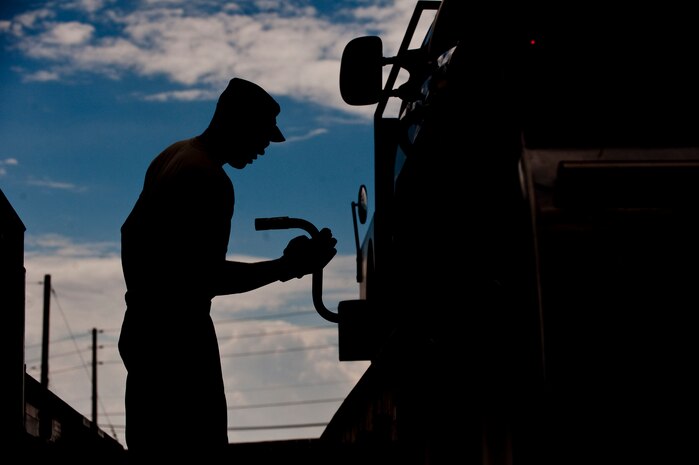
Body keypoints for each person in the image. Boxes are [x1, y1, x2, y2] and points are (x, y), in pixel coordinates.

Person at [117, 77, 337, 462]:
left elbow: (130, 234)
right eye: (262, 135)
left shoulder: (172, 156)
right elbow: (207, 278)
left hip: (144, 332)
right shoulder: (209, 179)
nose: (264, 147)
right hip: (178, 346)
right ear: (237, 123)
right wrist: (288, 267)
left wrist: (144, 297)